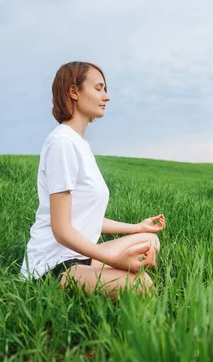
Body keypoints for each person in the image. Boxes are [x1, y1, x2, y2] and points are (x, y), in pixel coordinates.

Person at [20, 61, 165, 299]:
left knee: (149, 239)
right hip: (53, 266)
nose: (106, 97)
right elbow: (61, 229)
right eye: (98, 88)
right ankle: (101, 270)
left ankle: (103, 267)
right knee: (143, 286)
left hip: (81, 256)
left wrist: (138, 227)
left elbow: (86, 216)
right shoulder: (62, 144)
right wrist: (113, 258)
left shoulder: (80, 144)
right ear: (74, 92)